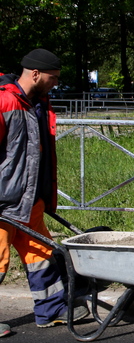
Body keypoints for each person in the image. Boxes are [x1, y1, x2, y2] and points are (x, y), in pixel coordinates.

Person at [0, 49, 89, 335]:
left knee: (42, 257)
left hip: (29, 201)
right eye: (54, 78)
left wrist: (44, 196)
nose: (56, 83)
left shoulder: (38, 104)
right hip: (3, 202)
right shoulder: (5, 101)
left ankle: (51, 311)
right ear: (36, 74)